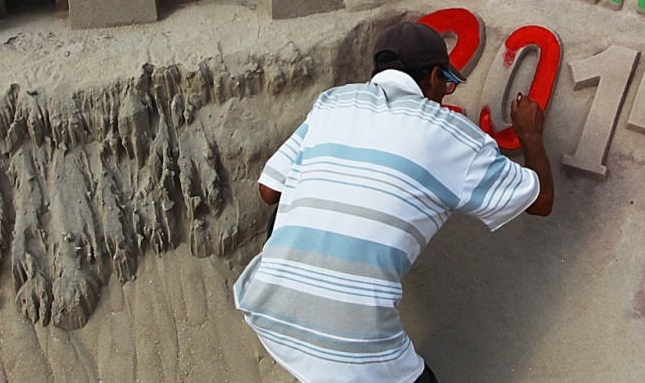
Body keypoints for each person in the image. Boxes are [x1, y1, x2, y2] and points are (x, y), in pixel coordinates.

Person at [233, 22, 556, 383]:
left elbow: (269, 191)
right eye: (447, 83)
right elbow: (541, 201)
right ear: (434, 76)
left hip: (268, 309)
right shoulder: (455, 136)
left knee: (290, 202)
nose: (445, 93)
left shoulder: (333, 102)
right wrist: (530, 134)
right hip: (352, 348)